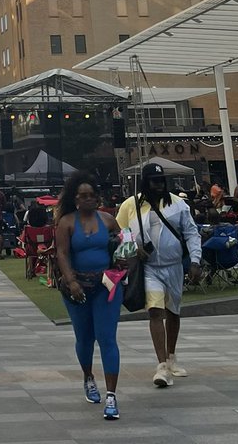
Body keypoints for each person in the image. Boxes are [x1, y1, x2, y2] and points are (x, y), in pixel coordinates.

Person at [116, 162, 202, 388]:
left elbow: (191, 233)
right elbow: (119, 234)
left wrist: (195, 261)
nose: (158, 185)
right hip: (149, 268)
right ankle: (162, 365)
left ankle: (171, 356)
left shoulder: (177, 204)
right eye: (154, 181)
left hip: (174, 266)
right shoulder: (130, 205)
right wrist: (134, 248)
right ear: (145, 182)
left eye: (161, 181)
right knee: (155, 311)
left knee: (173, 311)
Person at [54, 174, 124, 421]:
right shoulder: (67, 223)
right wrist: (71, 281)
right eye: (82, 196)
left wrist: (125, 255)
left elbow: (124, 244)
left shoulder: (108, 220)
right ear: (75, 198)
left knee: (107, 338)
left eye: (91, 195)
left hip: (106, 286)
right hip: (78, 287)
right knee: (84, 338)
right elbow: (62, 253)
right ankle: (88, 377)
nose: (88, 199)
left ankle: (111, 395)